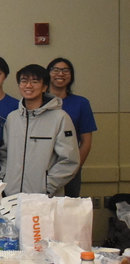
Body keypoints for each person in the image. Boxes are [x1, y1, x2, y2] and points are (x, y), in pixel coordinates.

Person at [0, 64, 80, 197]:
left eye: (35, 81)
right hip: (11, 196)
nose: (28, 86)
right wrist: (4, 178)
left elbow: (69, 159)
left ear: (44, 87)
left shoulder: (60, 118)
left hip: (45, 198)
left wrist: (48, 186)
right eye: (24, 81)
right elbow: (4, 154)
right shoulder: (12, 118)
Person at [47, 57, 96, 198]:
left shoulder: (81, 103)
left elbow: (86, 141)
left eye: (65, 71)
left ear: (71, 75)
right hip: (43, 167)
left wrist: (74, 168)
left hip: (70, 169)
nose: (60, 74)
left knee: (68, 207)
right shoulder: (37, 102)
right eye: (55, 70)